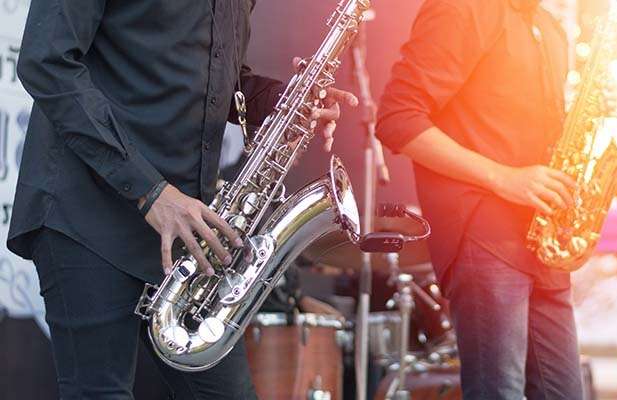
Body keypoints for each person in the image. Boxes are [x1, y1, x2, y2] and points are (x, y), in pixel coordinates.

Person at [8, 0, 356, 398]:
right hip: (86, 213)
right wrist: (150, 192)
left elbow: (212, 74)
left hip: (184, 235)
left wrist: (282, 100)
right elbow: (46, 62)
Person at [376, 0, 584, 398]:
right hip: (486, 237)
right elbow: (397, 117)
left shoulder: (547, 26)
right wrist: (504, 178)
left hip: (544, 240)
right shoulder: (463, 8)